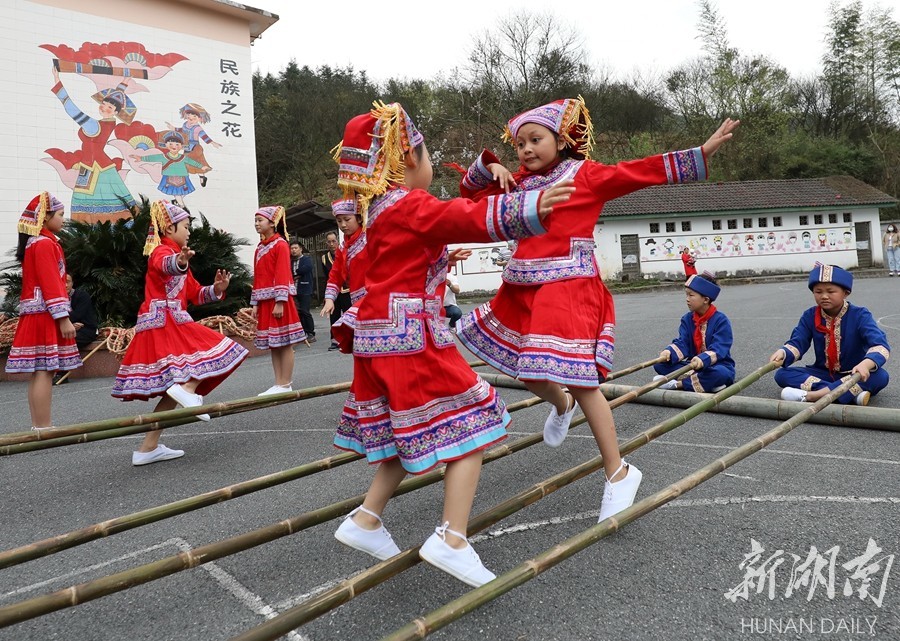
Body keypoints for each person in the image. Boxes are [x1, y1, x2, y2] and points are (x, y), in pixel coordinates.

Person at [455, 96, 739, 521]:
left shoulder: (584, 174)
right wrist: (491, 168)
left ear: (562, 139)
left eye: (536, 140)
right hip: (522, 286)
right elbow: (470, 195)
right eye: (519, 144)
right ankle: (561, 406)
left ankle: (618, 470)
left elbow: (637, 171)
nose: (526, 149)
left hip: (569, 286)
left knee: (582, 381)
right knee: (526, 371)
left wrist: (698, 154)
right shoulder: (516, 180)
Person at [330, 102, 574, 587]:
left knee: (415, 427)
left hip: (377, 338)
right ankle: (452, 537)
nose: (430, 166)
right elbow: (463, 213)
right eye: (425, 157)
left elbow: (427, 243)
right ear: (405, 162)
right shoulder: (408, 205)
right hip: (413, 340)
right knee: (475, 416)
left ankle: (367, 518)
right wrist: (530, 206)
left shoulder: (375, 212)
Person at [111, 200, 248, 465]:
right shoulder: (160, 251)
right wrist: (180, 260)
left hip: (169, 319)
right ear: (170, 226)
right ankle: (188, 389)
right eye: (185, 226)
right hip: (165, 321)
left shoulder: (173, 253)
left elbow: (195, 293)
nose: (189, 231)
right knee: (212, 352)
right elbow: (166, 265)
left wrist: (218, 288)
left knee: (172, 390)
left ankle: (148, 448)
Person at [5, 192, 82, 428]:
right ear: (45, 217)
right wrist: (63, 318)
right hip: (45, 314)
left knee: (43, 370)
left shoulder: (37, 243)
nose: (63, 219)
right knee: (44, 370)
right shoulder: (44, 244)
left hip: (39, 312)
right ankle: (43, 426)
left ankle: (41, 425)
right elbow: (51, 283)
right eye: (59, 215)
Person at [769, 264, 890, 406]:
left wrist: (865, 364)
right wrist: (784, 352)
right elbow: (798, 341)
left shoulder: (860, 315)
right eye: (818, 292)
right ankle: (847, 395)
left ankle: (813, 396)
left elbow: (880, 345)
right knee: (782, 374)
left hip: (854, 373)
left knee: (881, 376)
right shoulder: (809, 315)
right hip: (822, 373)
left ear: (846, 293)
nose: (824, 296)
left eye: (831, 291)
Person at [251, 205, 306, 394]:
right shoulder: (260, 247)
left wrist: (280, 301)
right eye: (256, 221)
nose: (257, 224)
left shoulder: (281, 244)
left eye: (260, 220)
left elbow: (283, 272)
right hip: (266, 301)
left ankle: (286, 383)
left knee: (285, 343)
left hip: (278, 300)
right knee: (274, 344)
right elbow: (257, 276)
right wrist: (256, 303)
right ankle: (278, 382)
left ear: (272, 223)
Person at [652, 273, 735, 392]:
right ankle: (706, 384)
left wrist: (703, 360)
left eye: (691, 295)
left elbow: (720, 348)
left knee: (720, 374)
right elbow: (683, 343)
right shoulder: (687, 319)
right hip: (693, 365)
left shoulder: (721, 320)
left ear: (706, 299)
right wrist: (668, 352)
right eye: (686, 295)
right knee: (660, 364)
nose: (687, 299)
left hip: (717, 365)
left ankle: (678, 384)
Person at [320, 199, 369, 353]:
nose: (342, 225)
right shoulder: (343, 247)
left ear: (359, 218)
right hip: (357, 300)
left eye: (347, 220)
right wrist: (329, 299)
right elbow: (335, 275)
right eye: (339, 221)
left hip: (373, 298)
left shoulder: (370, 238)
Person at [322, 231, 351, 351]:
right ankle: (334, 340)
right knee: (334, 315)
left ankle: (350, 338)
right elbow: (326, 276)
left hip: (347, 289)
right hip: (333, 293)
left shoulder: (346, 252)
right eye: (329, 242)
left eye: (334, 241)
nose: (332, 244)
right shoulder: (324, 258)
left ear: (337, 240)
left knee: (348, 314)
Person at [290, 240, 316, 342]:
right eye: (292, 248)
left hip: (305, 289)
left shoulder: (306, 259)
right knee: (298, 313)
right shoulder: (290, 261)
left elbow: (307, 268)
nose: (293, 250)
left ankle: (310, 333)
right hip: (294, 291)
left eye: (296, 248)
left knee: (305, 311)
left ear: (301, 249)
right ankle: (302, 333)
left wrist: (296, 273)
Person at [66, 273, 98, 350]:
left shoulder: (82, 296)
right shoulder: (53, 298)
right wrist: (70, 325)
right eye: (61, 281)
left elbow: (77, 315)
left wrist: (67, 323)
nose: (65, 285)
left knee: (67, 342)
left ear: (72, 283)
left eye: (68, 282)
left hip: (85, 330)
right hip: (65, 329)